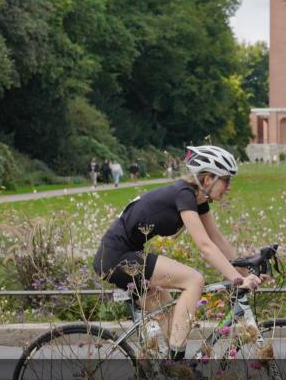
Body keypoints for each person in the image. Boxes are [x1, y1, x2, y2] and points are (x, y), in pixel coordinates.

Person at [92, 146, 261, 360]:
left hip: (123, 256)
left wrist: (245, 273)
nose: (229, 187)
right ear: (208, 179)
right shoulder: (184, 194)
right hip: (116, 257)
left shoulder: (198, 200)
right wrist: (237, 279)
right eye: (226, 180)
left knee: (171, 317)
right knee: (194, 280)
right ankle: (177, 363)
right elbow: (205, 246)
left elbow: (217, 240)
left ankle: (164, 377)